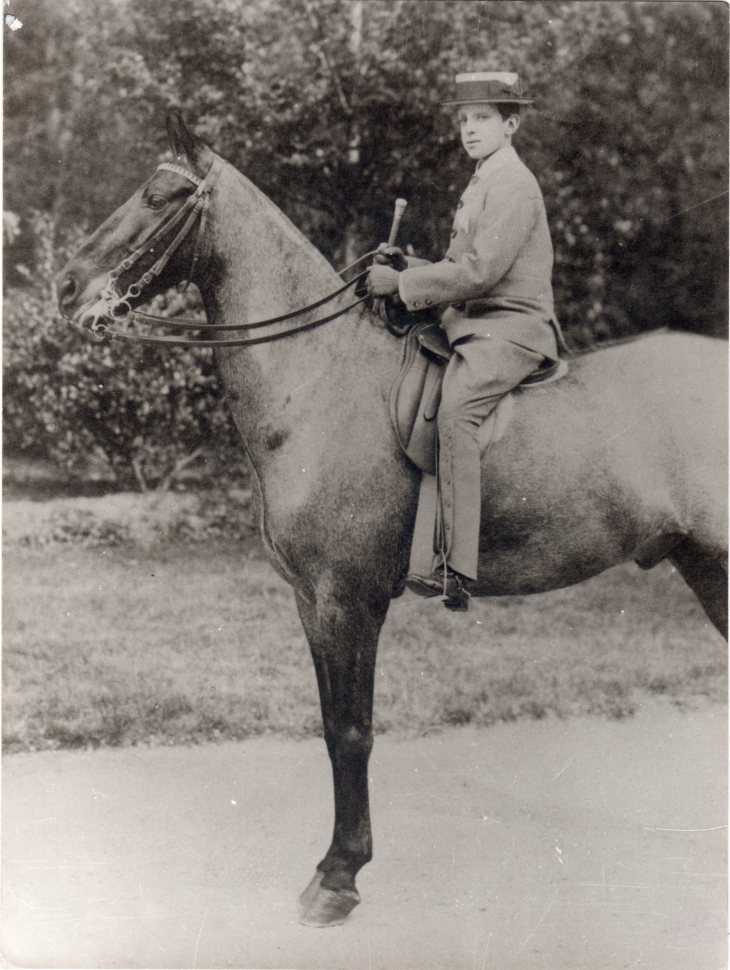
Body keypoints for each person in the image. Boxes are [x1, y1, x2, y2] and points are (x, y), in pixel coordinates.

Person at [366, 71, 565, 611]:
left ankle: (456, 565)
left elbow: (480, 273)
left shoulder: (513, 183)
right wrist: (409, 266)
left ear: (511, 124)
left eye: (483, 119)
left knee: (455, 412)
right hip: (475, 322)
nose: (470, 129)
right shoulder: (483, 178)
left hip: (511, 327)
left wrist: (404, 285)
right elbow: (460, 268)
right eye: (464, 119)